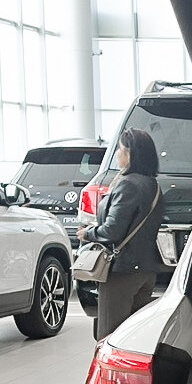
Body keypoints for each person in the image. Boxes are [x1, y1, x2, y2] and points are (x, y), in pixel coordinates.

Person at [80, 128, 165, 341]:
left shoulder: (128, 185)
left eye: (120, 149)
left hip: (122, 271)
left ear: (130, 153)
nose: (117, 154)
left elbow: (112, 230)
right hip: (146, 270)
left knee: (110, 335)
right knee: (135, 336)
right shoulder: (153, 185)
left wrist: (88, 233)